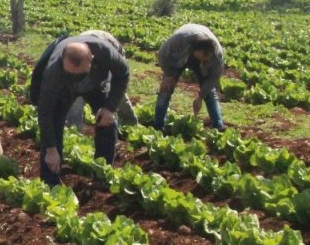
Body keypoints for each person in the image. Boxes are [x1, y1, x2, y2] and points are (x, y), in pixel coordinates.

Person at [31, 31, 130, 186]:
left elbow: (123, 74)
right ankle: (50, 183)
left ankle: (102, 174)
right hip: (64, 90)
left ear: (91, 59)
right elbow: (45, 111)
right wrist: (51, 149)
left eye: (80, 74)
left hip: (96, 85)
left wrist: (110, 108)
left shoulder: (105, 52)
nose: (76, 79)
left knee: (108, 122)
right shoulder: (53, 72)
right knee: (54, 126)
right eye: (71, 75)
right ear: (62, 62)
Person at [154, 23, 226, 131]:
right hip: (178, 57)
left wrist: (200, 97)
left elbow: (212, 79)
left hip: (201, 62)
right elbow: (163, 54)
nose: (202, 61)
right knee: (166, 89)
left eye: (205, 59)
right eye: (201, 57)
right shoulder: (179, 40)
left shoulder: (217, 57)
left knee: (210, 93)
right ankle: (158, 125)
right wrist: (169, 75)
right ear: (194, 50)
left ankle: (218, 126)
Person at [65, 29, 138, 131]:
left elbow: (121, 76)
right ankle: (75, 126)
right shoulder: (73, 54)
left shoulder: (106, 54)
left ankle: (129, 122)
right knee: (77, 90)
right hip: (89, 48)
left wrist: (110, 108)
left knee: (113, 91)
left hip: (113, 51)